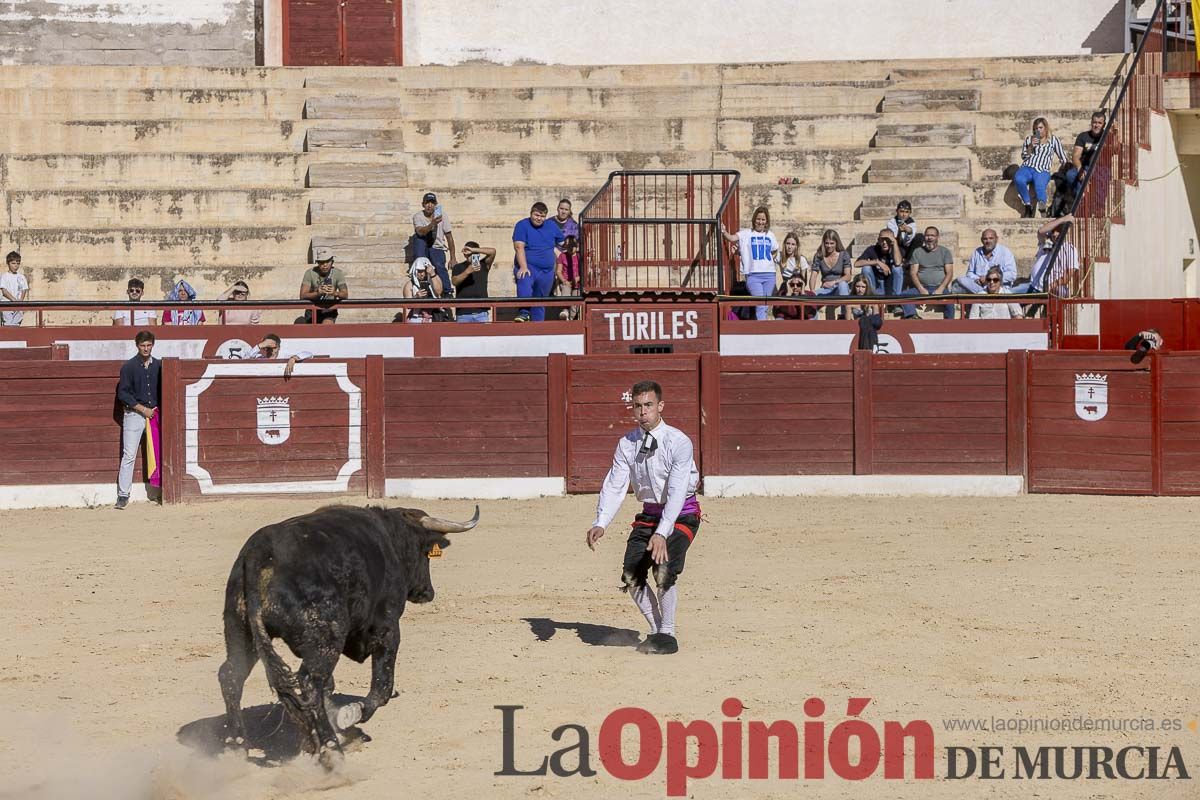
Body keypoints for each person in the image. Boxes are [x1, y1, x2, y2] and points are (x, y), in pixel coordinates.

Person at [586, 380, 701, 656]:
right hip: (649, 513)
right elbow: (615, 484)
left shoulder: (679, 442)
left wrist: (662, 533)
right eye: (637, 406)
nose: (643, 411)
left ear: (660, 406)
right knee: (631, 573)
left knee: (663, 569)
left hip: (682, 514)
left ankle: (668, 634)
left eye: (648, 405)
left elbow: (675, 491)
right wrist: (601, 521)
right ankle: (658, 630)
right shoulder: (627, 443)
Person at [114, 330, 160, 510]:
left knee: (157, 453)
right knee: (129, 455)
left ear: (152, 345)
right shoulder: (129, 367)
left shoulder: (158, 365)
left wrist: (152, 411)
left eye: (148, 345)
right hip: (134, 415)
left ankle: (159, 490)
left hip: (154, 415)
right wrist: (142, 409)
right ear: (137, 346)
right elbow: (123, 394)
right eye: (143, 345)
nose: (146, 348)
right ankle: (123, 495)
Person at [720, 206, 779, 321]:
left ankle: (761, 328)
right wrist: (723, 231)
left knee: (765, 305)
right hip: (753, 275)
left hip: (769, 275)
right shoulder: (746, 234)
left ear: (766, 221)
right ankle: (763, 330)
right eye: (758, 219)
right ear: (754, 219)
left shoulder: (770, 235)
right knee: (761, 303)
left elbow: (775, 249)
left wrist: (769, 260)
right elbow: (731, 238)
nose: (760, 222)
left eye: (763, 220)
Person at [512, 201, 565, 322]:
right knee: (524, 282)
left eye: (542, 216)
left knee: (540, 299)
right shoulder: (522, 225)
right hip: (529, 266)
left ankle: (538, 326)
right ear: (531, 213)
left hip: (547, 271)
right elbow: (519, 247)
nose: (539, 218)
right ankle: (524, 313)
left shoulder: (551, 225)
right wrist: (523, 267)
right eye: (536, 215)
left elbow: (562, 242)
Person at [1012, 117, 1068, 218]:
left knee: (1039, 186)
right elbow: (1024, 157)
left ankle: (1042, 207)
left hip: (1042, 169)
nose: (1038, 130)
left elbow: (1063, 157)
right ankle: (1028, 205)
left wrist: (1065, 168)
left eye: (1040, 128)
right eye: (1035, 129)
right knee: (1018, 178)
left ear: (1046, 128)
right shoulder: (1029, 139)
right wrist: (1030, 147)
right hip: (1028, 167)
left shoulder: (1053, 140)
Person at [901, 226, 956, 319]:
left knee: (950, 302)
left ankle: (949, 323)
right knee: (903, 295)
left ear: (937, 237)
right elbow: (913, 273)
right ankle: (912, 316)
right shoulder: (917, 252)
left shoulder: (945, 252)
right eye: (927, 235)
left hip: (940, 288)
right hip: (921, 287)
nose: (929, 238)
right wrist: (921, 288)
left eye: (932, 235)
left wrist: (941, 289)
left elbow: (949, 273)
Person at [412, 192, 454, 297]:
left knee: (439, 265)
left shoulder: (442, 215)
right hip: (424, 247)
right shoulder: (418, 216)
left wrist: (453, 258)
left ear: (436, 205)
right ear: (423, 204)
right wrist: (433, 224)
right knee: (418, 239)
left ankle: (447, 291)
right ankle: (422, 289)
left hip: (437, 247)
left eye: (432, 203)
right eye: (427, 203)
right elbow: (420, 231)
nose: (429, 205)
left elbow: (449, 236)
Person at [955, 229, 1017, 294]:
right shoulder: (976, 252)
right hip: (980, 287)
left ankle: (985, 294)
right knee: (960, 280)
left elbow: (1012, 274)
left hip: (999, 287)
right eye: (985, 239)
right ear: (981, 240)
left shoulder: (1005, 252)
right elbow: (970, 273)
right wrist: (978, 279)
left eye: (991, 238)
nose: (988, 241)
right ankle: (984, 294)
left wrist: (989, 278)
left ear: (996, 239)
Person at [854, 229, 906, 305]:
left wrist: (894, 243)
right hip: (876, 284)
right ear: (878, 240)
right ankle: (870, 298)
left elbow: (898, 263)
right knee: (866, 268)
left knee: (897, 268)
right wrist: (877, 262)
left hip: (891, 285)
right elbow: (856, 264)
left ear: (892, 239)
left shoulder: (897, 250)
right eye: (882, 239)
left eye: (887, 239)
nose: (884, 242)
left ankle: (896, 302)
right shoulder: (872, 249)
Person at [451, 241, 497, 323]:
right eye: (468, 254)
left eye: (472, 254)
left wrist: (473, 250)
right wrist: (467, 272)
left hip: (481, 312)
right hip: (463, 313)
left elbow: (493, 251)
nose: (470, 256)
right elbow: (454, 282)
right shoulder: (458, 267)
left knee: (484, 336)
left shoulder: (483, 264)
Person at [300, 246, 348, 324]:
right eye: (321, 262)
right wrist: (317, 293)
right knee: (310, 332)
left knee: (326, 328)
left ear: (332, 262)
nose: (325, 265)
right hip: (312, 309)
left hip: (329, 309)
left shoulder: (338, 273)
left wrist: (335, 293)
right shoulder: (310, 273)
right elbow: (302, 295)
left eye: (327, 261)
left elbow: (345, 294)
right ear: (318, 262)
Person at [812, 229, 852, 319]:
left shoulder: (844, 255)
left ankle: (845, 317)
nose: (829, 246)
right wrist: (812, 291)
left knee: (843, 285)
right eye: (827, 243)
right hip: (825, 289)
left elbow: (848, 276)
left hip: (839, 287)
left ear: (836, 243)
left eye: (832, 243)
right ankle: (813, 325)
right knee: (810, 299)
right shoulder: (819, 255)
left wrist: (834, 282)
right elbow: (814, 274)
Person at [238, 333, 312, 379]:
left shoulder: (285, 357)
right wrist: (260, 345)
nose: (271, 350)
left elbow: (309, 354)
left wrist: (294, 358)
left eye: (274, 347)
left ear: (279, 347)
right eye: (268, 347)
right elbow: (244, 360)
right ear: (264, 348)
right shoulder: (259, 357)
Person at [1067, 111, 1106, 192]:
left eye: (1099, 123)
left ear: (1104, 125)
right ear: (1091, 123)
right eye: (1094, 122)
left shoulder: (1107, 136)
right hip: (1085, 167)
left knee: (1099, 185)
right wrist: (1080, 169)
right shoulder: (1083, 136)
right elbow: (1076, 155)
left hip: (1101, 168)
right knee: (1070, 175)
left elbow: (1116, 150)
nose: (1096, 125)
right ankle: (1082, 196)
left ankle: (1084, 198)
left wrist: (1115, 134)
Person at [400, 257, 445, 323]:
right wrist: (416, 297)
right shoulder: (409, 285)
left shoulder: (435, 278)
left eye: (424, 271)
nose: (422, 274)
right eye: (419, 271)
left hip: (434, 316)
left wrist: (432, 274)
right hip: (416, 317)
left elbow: (438, 292)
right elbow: (407, 306)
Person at [849, 274, 883, 350]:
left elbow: (877, 322)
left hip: (869, 332)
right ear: (854, 287)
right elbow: (848, 322)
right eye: (857, 286)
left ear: (867, 288)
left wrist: (868, 316)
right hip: (856, 332)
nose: (860, 290)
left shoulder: (873, 302)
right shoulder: (849, 302)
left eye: (863, 287)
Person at [556, 235, 582, 320]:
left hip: (577, 284)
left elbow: (586, 270)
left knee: (575, 305)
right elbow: (559, 271)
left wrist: (579, 278)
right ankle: (565, 310)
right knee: (566, 291)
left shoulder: (579, 256)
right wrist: (564, 280)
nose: (570, 248)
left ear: (576, 246)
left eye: (572, 245)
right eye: (567, 245)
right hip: (566, 281)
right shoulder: (562, 256)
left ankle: (570, 319)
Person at [1, 251, 29, 327]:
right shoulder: (4, 276)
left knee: (16, 323)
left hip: (18, 304)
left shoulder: (21, 277)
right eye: (13, 263)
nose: (16, 266)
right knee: (8, 323)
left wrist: (20, 300)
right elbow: (4, 291)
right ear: (8, 263)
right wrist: (13, 300)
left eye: (18, 263)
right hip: (7, 303)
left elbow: (24, 289)